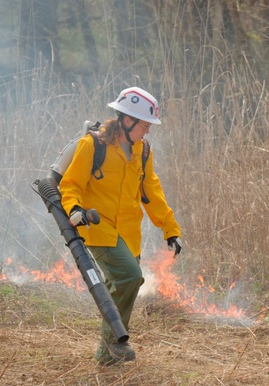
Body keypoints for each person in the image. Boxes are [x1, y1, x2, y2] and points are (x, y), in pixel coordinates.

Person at [59, 86, 183, 366]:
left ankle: (106, 357)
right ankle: (115, 344)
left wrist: (170, 229)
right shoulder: (93, 146)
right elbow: (70, 184)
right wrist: (75, 209)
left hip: (129, 234)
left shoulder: (143, 150)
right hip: (98, 228)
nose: (148, 131)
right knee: (129, 277)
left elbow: (151, 192)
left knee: (125, 283)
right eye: (144, 125)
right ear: (126, 120)